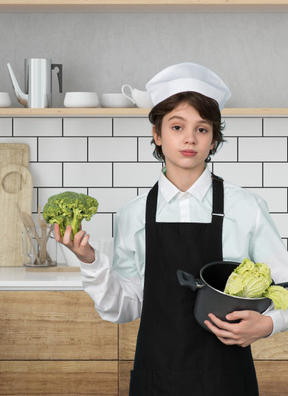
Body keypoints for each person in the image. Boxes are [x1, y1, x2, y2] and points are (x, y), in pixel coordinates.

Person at [54, 63, 288, 396]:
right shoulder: (134, 215)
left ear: (213, 139)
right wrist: (91, 261)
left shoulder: (245, 208)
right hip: (156, 379)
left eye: (202, 129)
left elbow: (286, 287)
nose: (190, 138)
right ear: (157, 134)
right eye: (177, 126)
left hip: (226, 380)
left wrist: (268, 324)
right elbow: (124, 308)